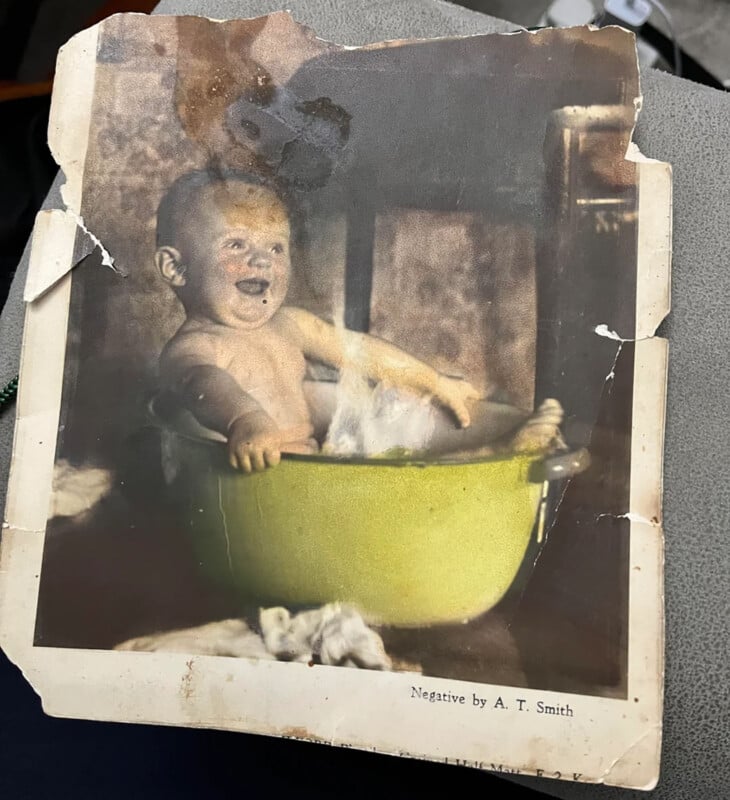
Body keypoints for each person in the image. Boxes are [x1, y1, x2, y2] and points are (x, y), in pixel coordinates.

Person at [156, 169, 562, 472]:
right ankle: (502, 455)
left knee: (389, 428)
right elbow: (207, 385)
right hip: (260, 479)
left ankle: (498, 451)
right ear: (176, 269)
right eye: (236, 244)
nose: (262, 260)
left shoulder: (289, 325)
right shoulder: (196, 346)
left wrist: (433, 381)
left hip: (317, 463)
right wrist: (244, 420)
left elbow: (360, 353)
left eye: (276, 248)